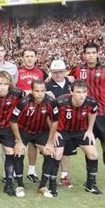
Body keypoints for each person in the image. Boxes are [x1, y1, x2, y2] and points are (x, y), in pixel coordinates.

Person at [70, 42, 105, 189]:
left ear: (97, 53)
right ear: (83, 55)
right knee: (88, 147)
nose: (90, 55)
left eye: (93, 52)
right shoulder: (77, 70)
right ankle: (90, 180)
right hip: (85, 115)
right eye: (88, 53)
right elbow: (68, 83)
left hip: (104, 114)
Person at [53, 80, 102, 196]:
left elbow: (93, 113)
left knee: (93, 154)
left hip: (81, 131)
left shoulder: (91, 102)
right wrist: (54, 131)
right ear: (71, 92)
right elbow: (51, 116)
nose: (81, 95)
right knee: (57, 154)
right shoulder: (60, 101)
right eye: (78, 92)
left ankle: (90, 184)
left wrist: (90, 130)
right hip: (62, 131)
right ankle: (52, 183)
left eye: (84, 92)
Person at [10, 80, 58, 198]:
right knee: (19, 152)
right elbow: (13, 121)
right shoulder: (23, 102)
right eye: (37, 91)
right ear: (32, 91)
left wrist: (50, 142)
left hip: (41, 131)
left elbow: (55, 121)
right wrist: (19, 141)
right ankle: (20, 185)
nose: (40, 94)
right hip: (24, 131)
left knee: (50, 153)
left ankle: (42, 187)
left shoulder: (51, 102)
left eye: (42, 91)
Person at [15, 48, 49, 183]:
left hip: (38, 115)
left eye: (31, 56)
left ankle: (31, 171)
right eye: (26, 56)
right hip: (20, 114)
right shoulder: (17, 72)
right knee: (16, 144)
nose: (29, 58)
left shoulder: (42, 73)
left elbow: (48, 89)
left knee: (33, 145)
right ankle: (12, 173)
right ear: (22, 58)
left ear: (36, 58)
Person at [45, 59, 74, 188]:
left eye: (60, 72)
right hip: (52, 124)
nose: (57, 74)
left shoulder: (71, 83)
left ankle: (64, 176)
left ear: (65, 71)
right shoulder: (46, 86)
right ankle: (50, 176)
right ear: (50, 72)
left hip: (69, 124)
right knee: (53, 151)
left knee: (65, 152)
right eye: (55, 72)